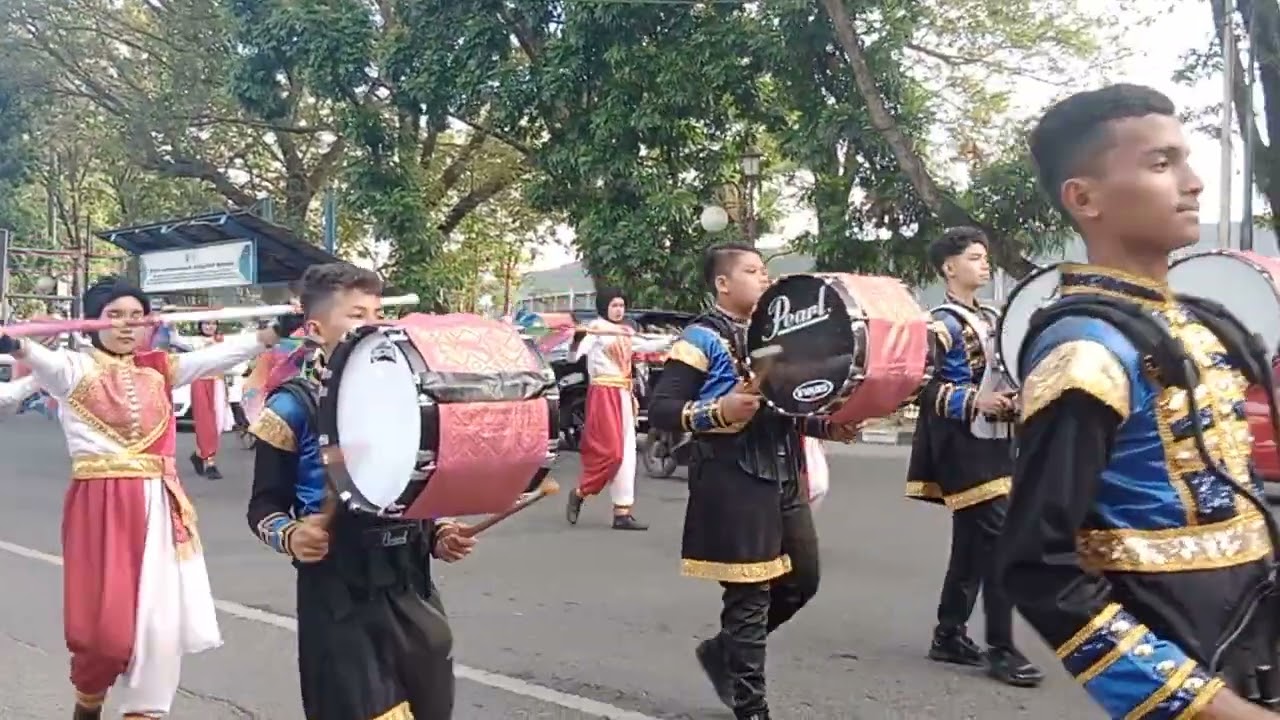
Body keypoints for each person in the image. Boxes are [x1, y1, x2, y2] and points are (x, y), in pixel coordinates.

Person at [998, 83, 1280, 720]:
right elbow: (1039, 567)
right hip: (1191, 685)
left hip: (1248, 642)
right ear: (1084, 198)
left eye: (1186, 159)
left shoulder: (1196, 323)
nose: (1194, 182)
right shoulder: (1087, 350)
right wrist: (1209, 708)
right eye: (1161, 164)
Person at [0, 276, 294, 720]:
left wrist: (273, 332)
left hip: (161, 506)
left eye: (136, 317)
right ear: (91, 323)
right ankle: (89, 701)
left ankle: (146, 709)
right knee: (105, 634)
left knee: (160, 625)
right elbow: (40, 360)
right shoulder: (73, 369)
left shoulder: (160, 367)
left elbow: (216, 356)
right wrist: (16, 346)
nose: (126, 326)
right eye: (114, 316)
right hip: (100, 510)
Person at [246, 262, 477, 720]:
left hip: (410, 579)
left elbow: (413, 487)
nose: (371, 324)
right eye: (356, 314)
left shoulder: (407, 399)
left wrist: (438, 532)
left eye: (375, 312)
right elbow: (263, 506)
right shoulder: (292, 404)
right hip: (339, 589)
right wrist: (292, 535)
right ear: (315, 328)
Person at [648, 243, 857, 720]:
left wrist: (830, 426)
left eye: (765, 271)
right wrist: (718, 410)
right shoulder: (700, 338)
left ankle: (724, 652)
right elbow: (660, 409)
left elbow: (788, 408)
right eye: (751, 271)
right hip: (732, 477)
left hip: (782, 472)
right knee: (749, 595)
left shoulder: (774, 336)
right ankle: (751, 706)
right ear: (723, 283)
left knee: (802, 580)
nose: (764, 279)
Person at [903, 226, 1041, 687]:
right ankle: (1001, 648)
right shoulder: (936, 324)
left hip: (999, 440)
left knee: (974, 544)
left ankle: (949, 633)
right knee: (1002, 541)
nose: (985, 264)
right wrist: (972, 401)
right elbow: (916, 385)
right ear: (949, 267)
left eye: (985, 257)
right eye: (975, 257)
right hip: (962, 446)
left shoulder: (995, 315)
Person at [565, 288, 673, 530]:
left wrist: (673, 340)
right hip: (603, 394)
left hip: (625, 394)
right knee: (611, 452)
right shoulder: (595, 329)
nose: (618, 310)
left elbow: (645, 345)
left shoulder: (624, 331)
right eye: (614, 305)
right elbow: (574, 357)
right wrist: (577, 339)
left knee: (628, 453)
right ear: (604, 307)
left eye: (621, 305)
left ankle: (622, 512)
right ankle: (581, 491)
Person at [172, 320, 232, 479]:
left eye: (213, 323)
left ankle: (199, 454)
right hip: (200, 382)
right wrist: (170, 322)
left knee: (218, 424)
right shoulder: (194, 341)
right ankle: (210, 463)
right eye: (206, 323)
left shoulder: (223, 341)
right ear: (200, 325)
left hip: (217, 383)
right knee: (205, 423)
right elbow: (175, 339)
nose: (209, 326)